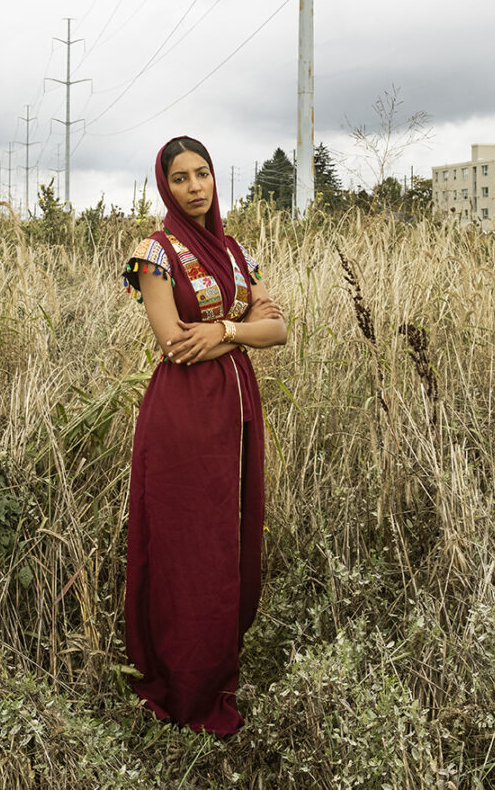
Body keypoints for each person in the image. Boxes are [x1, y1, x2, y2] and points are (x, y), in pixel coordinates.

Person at [122, 135, 287, 736]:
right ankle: (180, 678)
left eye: (203, 174)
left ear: (215, 178)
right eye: (181, 178)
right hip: (183, 415)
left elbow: (279, 328)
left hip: (236, 411)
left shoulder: (238, 253)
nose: (194, 187)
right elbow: (174, 342)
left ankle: (216, 671)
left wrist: (225, 330)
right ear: (165, 185)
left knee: (226, 541)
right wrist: (242, 326)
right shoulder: (153, 253)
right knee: (186, 543)